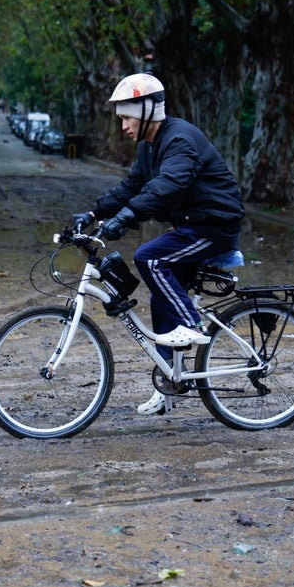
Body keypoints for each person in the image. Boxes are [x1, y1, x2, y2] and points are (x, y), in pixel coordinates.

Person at [71, 73, 244, 415]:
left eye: (127, 118)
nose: (123, 126)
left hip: (214, 225)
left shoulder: (180, 140)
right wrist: (93, 213)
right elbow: (132, 187)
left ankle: (191, 325)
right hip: (192, 225)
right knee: (161, 296)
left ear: (147, 111)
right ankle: (170, 382)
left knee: (150, 258)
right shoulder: (149, 147)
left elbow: (168, 186)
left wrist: (126, 217)